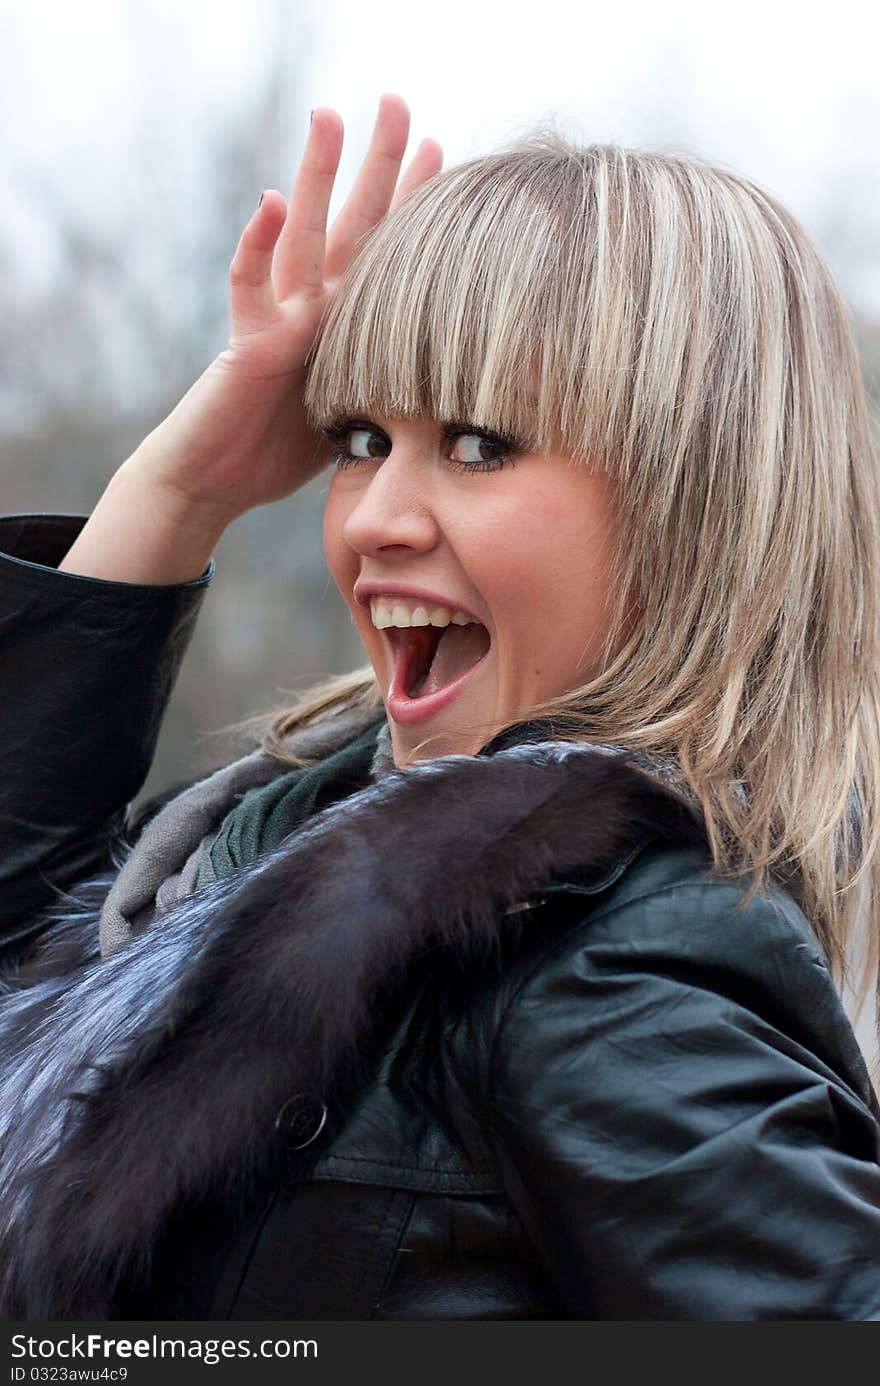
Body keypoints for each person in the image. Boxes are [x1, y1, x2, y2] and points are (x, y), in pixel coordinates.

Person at [1, 93, 879, 1321]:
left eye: (477, 445)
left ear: (691, 502)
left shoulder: (600, 964)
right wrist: (177, 491)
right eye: (359, 435)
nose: (369, 520)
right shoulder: (253, 848)